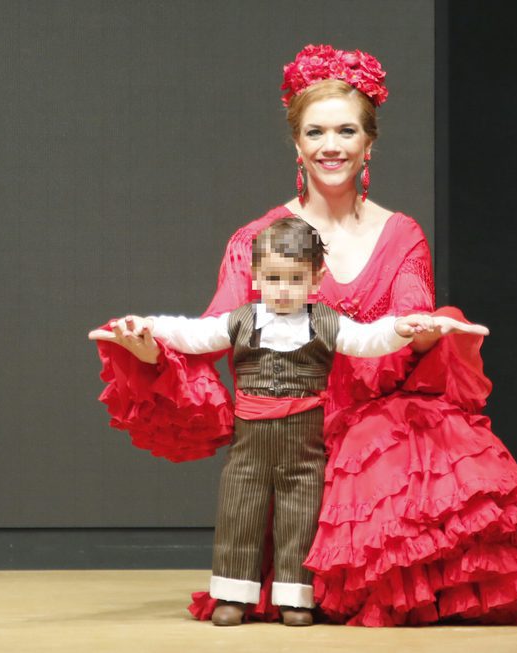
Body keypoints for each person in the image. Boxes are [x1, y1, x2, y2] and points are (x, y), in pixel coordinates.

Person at [89, 44, 517, 627]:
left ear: (370, 143)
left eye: (346, 130)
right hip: (296, 427)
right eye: (316, 131)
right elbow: (214, 332)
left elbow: (402, 334)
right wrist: (144, 344)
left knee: (421, 436)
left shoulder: (401, 234)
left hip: (375, 425)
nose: (331, 145)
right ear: (297, 144)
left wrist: (426, 333)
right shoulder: (260, 237)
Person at [92, 217, 489, 626]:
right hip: (249, 445)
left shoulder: (327, 322)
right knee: (239, 514)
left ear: (314, 280)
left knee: (301, 517)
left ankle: (295, 598)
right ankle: (233, 594)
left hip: (304, 447)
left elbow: (369, 340)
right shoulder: (240, 319)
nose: (283, 290)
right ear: (257, 276)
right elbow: (193, 334)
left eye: (295, 279)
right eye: (274, 278)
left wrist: (403, 328)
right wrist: (148, 327)